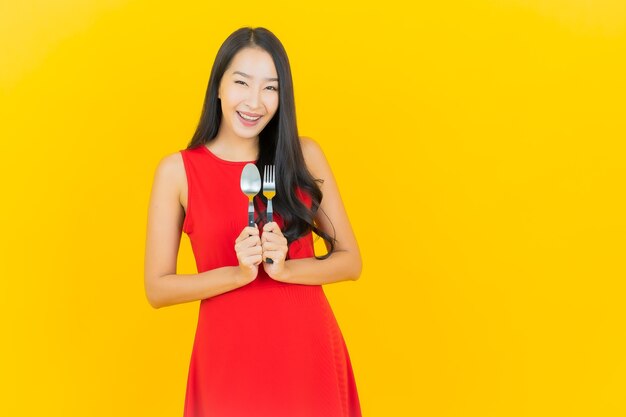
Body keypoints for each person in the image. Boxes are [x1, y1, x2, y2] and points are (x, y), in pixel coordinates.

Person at [144, 26, 362, 417]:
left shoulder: (304, 156)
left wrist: (286, 268)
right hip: (227, 359)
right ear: (219, 86)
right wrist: (238, 273)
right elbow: (157, 289)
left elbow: (350, 261)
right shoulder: (177, 172)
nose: (255, 101)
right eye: (242, 82)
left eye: (270, 88)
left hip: (308, 357)